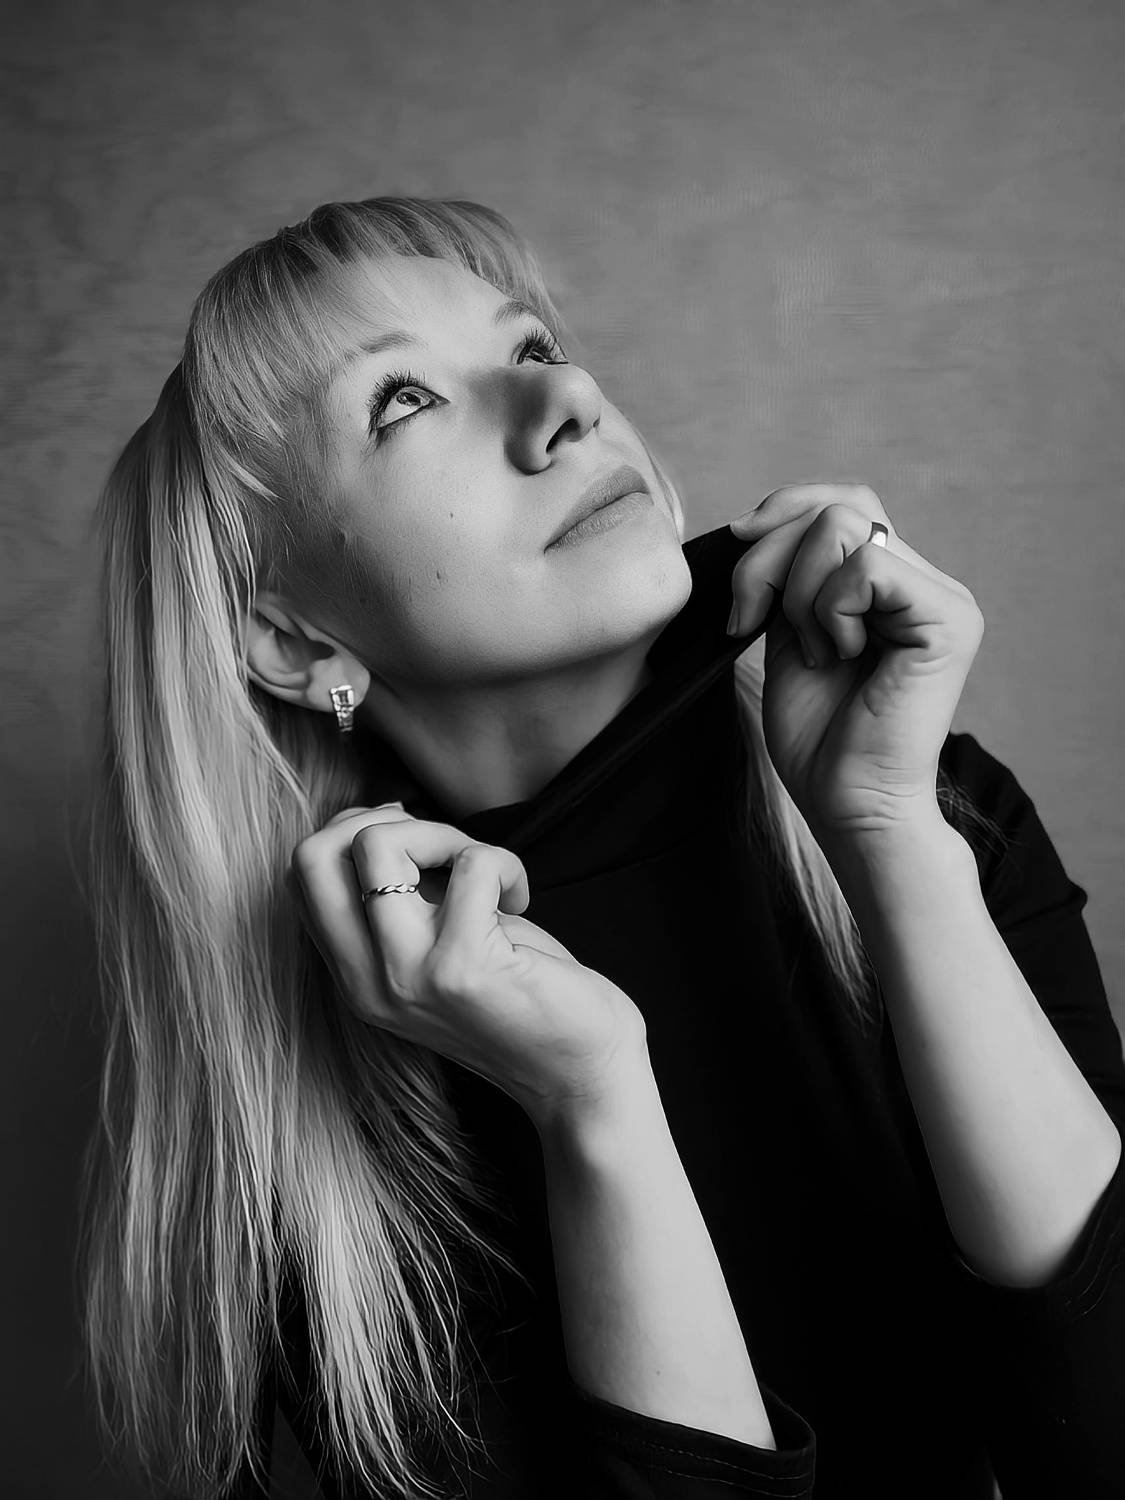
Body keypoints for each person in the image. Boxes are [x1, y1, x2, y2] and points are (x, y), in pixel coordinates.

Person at [77, 196, 1125, 1500]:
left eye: (531, 347)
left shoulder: (936, 804)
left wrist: (890, 835)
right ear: (294, 642)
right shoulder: (301, 1128)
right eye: (405, 401)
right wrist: (592, 1107)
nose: (565, 398)